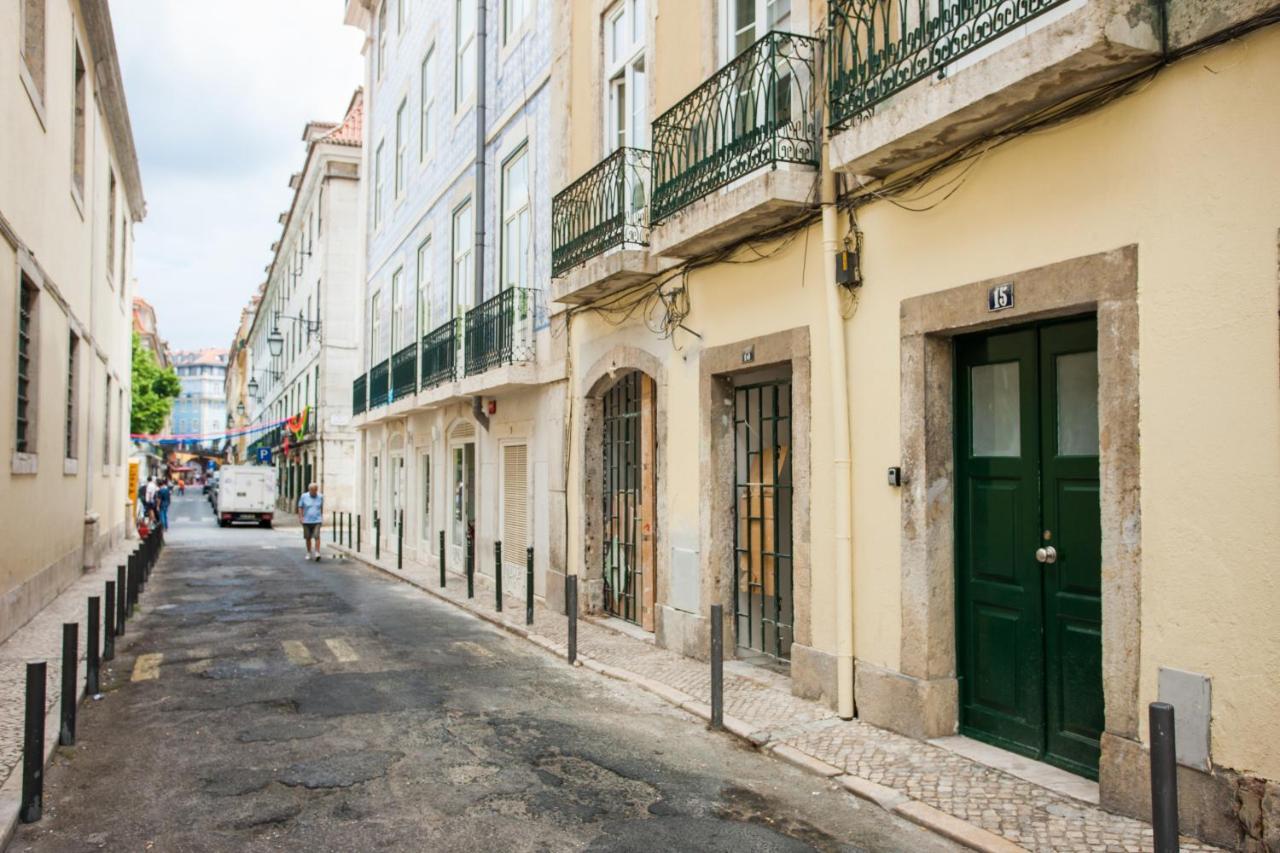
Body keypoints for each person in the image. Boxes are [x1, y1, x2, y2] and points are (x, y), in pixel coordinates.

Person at [297, 482, 324, 561]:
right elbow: (300, 507)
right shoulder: (304, 496)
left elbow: (321, 507)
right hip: (306, 520)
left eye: (315, 490)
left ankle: (317, 552)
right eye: (312, 490)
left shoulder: (320, 497)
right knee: (308, 537)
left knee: (317, 536)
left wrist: (321, 517)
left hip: (317, 520)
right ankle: (309, 552)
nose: (314, 492)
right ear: (309, 490)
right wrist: (301, 517)